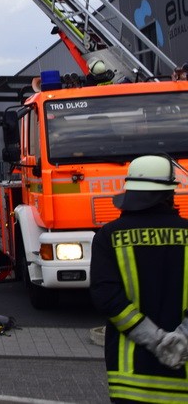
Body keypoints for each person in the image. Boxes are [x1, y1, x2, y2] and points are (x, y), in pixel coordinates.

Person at [90, 155, 188, 401]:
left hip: (129, 379)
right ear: (169, 194)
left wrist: (157, 340)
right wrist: (181, 337)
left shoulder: (108, 237)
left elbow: (107, 299)